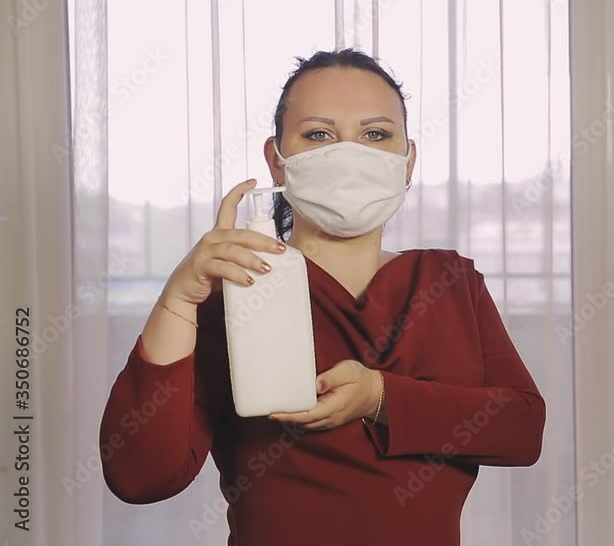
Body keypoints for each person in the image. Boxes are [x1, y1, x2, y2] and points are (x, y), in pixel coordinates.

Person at [99, 49, 546, 545]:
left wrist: (380, 397)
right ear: (277, 160)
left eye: (375, 134)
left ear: (407, 160)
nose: (349, 154)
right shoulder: (236, 289)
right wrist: (180, 301)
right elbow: (140, 476)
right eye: (319, 134)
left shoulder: (450, 281)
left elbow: (521, 428)